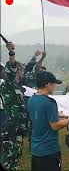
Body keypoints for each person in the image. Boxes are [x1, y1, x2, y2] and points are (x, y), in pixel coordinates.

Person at [27, 71, 69, 171]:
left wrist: (58, 117)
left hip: (36, 150)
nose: (55, 87)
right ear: (48, 84)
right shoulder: (49, 102)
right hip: (49, 150)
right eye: (54, 84)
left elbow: (40, 119)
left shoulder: (31, 100)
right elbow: (55, 125)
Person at [0, 41, 29, 171]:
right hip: (9, 132)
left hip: (18, 131)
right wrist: (12, 53)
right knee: (7, 162)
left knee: (16, 161)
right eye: (21, 69)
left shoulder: (18, 88)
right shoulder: (8, 86)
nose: (23, 72)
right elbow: (11, 69)